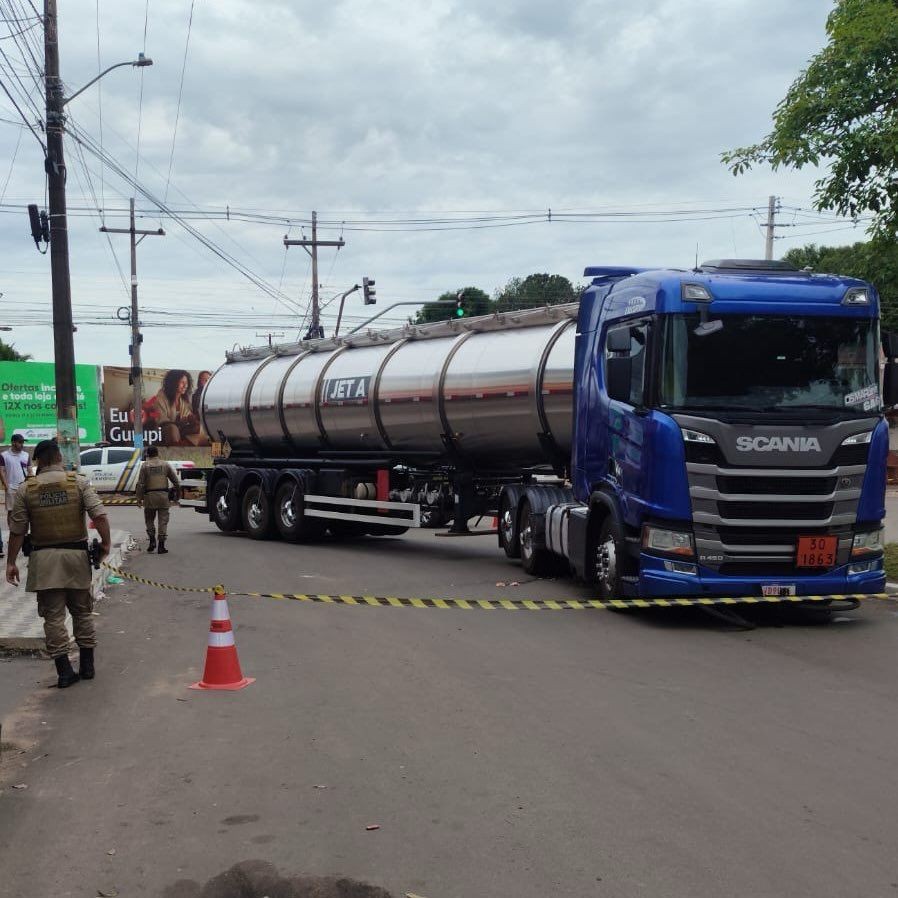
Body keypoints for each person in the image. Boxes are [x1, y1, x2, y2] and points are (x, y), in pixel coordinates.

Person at [5, 439, 111, 689]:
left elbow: (17, 530)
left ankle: (64, 672)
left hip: (44, 562)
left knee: (53, 617)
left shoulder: (26, 489)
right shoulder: (78, 482)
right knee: (82, 611)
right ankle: (87, 666)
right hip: (76, 559)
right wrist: (105, 545)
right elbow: (100, 516)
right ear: (59, 457)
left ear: (38, 461)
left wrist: (11, 562)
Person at [135, 445, 179, 554]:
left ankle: (152, 541)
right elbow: (176, 481)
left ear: (148, 455)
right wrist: (177, 495)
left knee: (149, 519)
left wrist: (139, 498)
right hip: (164, 496)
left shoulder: (145, 466)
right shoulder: (165, 465)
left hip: (149, 497)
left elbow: (140, 484)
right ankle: (161, 546)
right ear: (157, 453)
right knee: (163, 521)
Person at [143, 369, 201, 445]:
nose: (185, 386)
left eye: (186, 383)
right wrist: (179, 423)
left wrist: (191, 419)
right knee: (172, 428)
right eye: (182, 382)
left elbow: (187, 415)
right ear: (173, 383)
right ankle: (176, 450)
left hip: (179, 428)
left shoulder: (183, 400)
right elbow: (161, 420)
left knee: (198, 427)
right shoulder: (160, 398)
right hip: (161, 430)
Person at [0, 433, 32, 559]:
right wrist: (6, 485)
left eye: (22, 442)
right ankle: (13, 534)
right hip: (11, 488)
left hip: (24, 488)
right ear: (13, 442)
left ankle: (25, 535)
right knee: (11, 512)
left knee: (26, 512)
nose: (21, 445)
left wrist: (30, 483)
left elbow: (29, 470)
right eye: (19, 442)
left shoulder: (26, 455)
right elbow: (1, 470)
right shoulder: (4, 455)